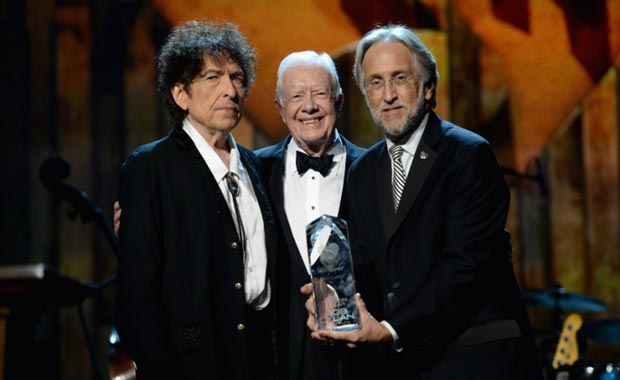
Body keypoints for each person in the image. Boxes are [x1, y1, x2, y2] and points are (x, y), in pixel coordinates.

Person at [302, 24, 544, 379]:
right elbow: (364, 263)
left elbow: (464, 266)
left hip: (477, 360)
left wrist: (390, 329)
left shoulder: (468, 154)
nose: (388, 95)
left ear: (428, 87)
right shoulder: (363, 171)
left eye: (400, 78)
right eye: (376, 82)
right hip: (406, 365)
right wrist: (336, 301)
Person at [115, 20, 278, 380]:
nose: (230, 91)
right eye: (212, 78)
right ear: (180, 94)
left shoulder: (254, 166)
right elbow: (135, 300)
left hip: (260, 362)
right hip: (192, 366)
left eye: (236, 78)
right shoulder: (150, 168)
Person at [254, 51, 379, 380]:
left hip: (360, 359)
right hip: (279, 355)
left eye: (320, 94)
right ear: (280, 109)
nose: (308, 106)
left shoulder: (374, 170)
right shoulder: (254, 171)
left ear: (339, 102)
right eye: (296, 96)